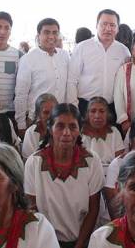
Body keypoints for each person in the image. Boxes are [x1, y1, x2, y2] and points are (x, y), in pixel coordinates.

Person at [24, 103, 104, 248]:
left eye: (73, 127)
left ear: (80, 130)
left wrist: (79, 246)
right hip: (43, 242)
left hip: (81, 241)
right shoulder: (34, 162)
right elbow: (32, 210)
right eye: (60, 126)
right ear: (50, 128)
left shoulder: (92, 161)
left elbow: (93, 210)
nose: (66, 132)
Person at [67, 9, 130, 119]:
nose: (108, 29)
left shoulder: (123, 51)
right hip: (85, 107)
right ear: (96, 25)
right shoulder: (82, 48)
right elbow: (72, 80)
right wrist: (74, 108)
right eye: (104, 24)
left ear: (117, 28)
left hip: (112, 108)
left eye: (112, 25)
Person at [15, 18, 70, 136]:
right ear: (38, 36)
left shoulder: (65, 56)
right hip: (37, 120)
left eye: (55, 33)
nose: (51, 36)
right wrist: (21, 124)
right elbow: (21, 94)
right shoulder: (28, 59)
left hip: (60, 119)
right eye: (46, 32)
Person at [82, 97, 125, 168]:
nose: (97, 116)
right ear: (87, 114)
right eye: (93, 111)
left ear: (107, 114)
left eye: (102, 111)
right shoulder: (80, 133)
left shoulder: (114, 131)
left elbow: (119, 160)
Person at [22, 93, 58, 159]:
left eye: (53, 112)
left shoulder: (63, 131)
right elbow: (28, 160)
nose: (50, 116)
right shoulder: (31, 132)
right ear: (38, 114)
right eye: (46, 112)